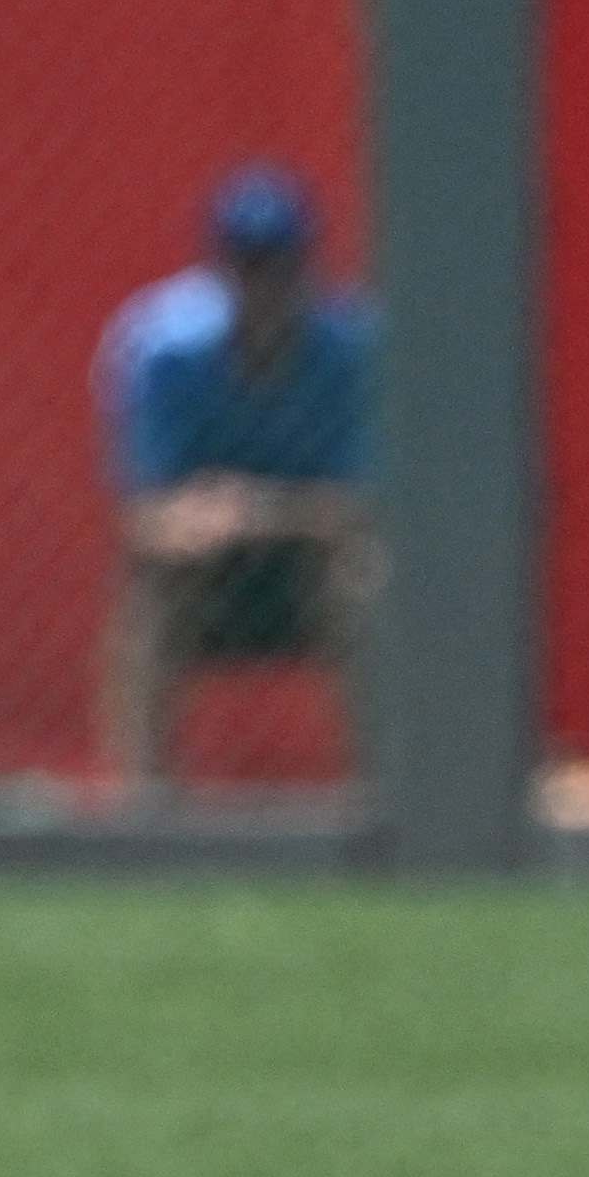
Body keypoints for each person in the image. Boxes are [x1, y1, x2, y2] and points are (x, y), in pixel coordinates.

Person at [92, 164, 378, 809]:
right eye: (247, 265)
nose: (264, 286)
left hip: (313, 575)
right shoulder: (162, 348)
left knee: (365, 582)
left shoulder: (355, 349)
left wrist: (242, 507)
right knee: (149, 596)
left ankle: (383, 802)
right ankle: (145, 809)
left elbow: (366, 509)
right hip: (207, 581)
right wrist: (259, 515)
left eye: (279, 264)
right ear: (217, 268)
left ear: (309, 266)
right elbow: (146, 516)